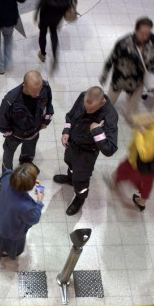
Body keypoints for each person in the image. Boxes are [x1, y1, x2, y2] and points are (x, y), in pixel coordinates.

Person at [108, 90, 154, 211]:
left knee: (124, 169)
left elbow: (144, 155)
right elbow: (136, 119)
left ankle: (115, 181)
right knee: (148, 180)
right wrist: (151, 119)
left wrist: (140, 133)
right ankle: (141, 201)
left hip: (139, 160)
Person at [53, 86, 118, 215]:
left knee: (81, 179)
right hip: (73, 144)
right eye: (86, 107)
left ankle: (79, 198)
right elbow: (70, 116)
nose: (87, 111)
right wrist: (66, 132)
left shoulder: (110, 115)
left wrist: (96, 131)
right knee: (70, 163)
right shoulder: (83, 96)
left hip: (87, 153)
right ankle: (70, 178)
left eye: (91, 109)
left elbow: (110, 149)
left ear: (102, 102)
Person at [100, 17, 154, 119]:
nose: (145, 37)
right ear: (135, 30)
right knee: (110, 100)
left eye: (148, 33)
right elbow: (111, 59)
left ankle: (128, 114)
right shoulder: (123, 43)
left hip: (139, 80)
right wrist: (104, 75)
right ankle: (105, 113)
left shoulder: (153, 39)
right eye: (142, 33)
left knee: (132, 103)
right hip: (120, 78)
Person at [0, 70, 54, 172]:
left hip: (34, 131)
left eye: (39, 90)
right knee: (8, 152)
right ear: (24, 86)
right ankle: (7, 172)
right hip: (15, 135)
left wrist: (46, 121)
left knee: (30, 148)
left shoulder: (45, 87)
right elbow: (1, 122)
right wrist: (9, 134)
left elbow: (48, 105)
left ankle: (25, 161)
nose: (37, 94)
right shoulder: (11, 100)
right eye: (34, 92)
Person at [0, 163, 44, 260]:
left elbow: (9, 172)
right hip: (10, 228)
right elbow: (34, 219)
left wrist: (26, 180)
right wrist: (39, 201)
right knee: (8, 242)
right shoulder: (26, 206)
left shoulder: (7, 177)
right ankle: (5, 252)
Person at [35, 0, 78, 70]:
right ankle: (55, 57)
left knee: (42, 32)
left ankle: (42, 54)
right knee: (53, 31)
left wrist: (36, 13)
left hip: (46, 10)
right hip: (61, 11)